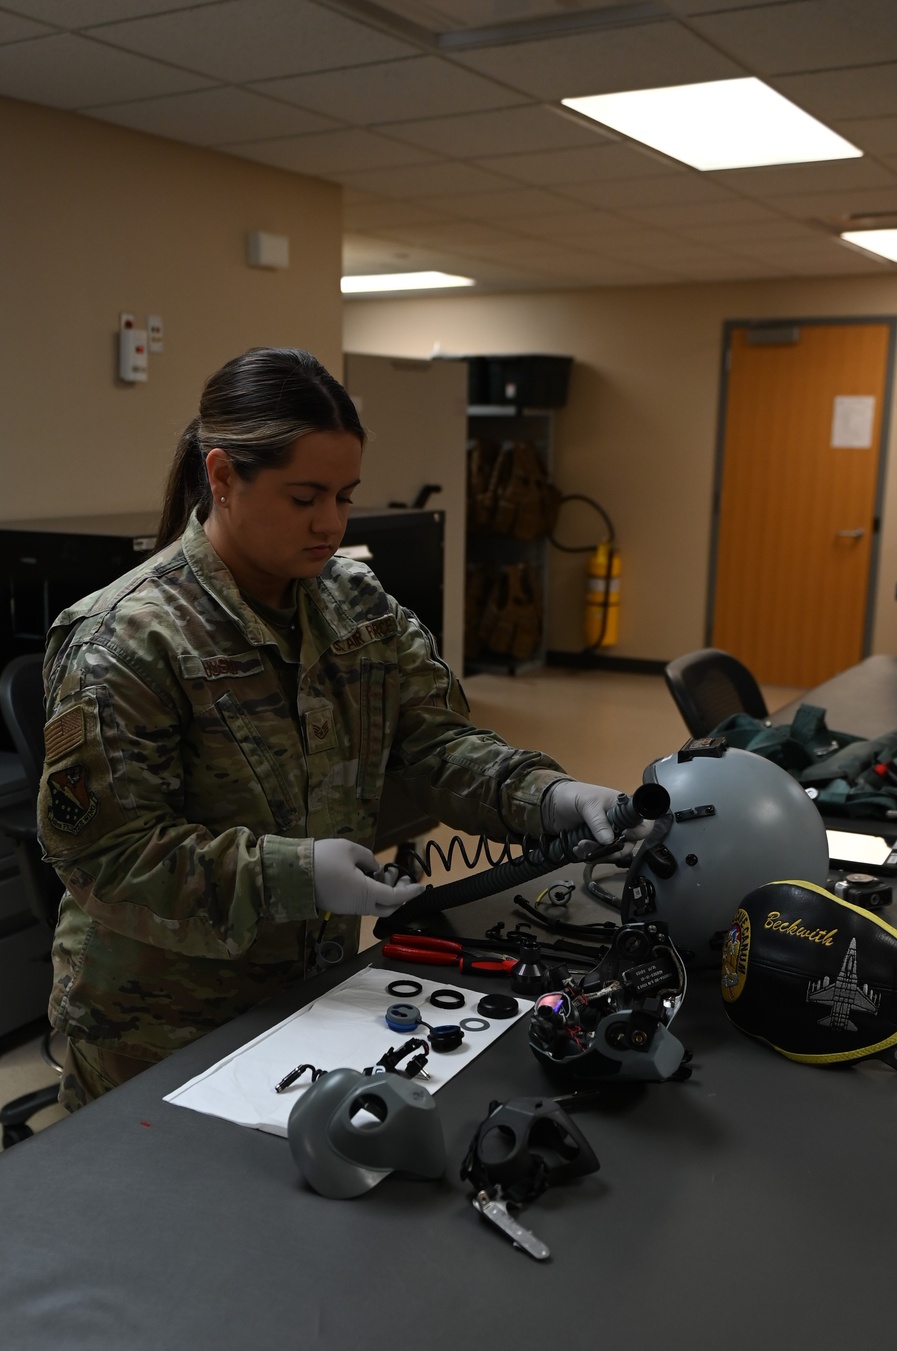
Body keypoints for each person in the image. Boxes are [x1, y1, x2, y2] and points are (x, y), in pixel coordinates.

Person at [38, 347, 638, 1111]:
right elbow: (106, 856)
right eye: (305, 497)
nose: (331, 523)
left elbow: (435, 743)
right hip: (158, 1027)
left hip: (313, 991)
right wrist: (299, 872)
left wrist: (549, 796)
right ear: (222, 477)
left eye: (345, 496)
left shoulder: (352, 602)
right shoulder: (129, 639)